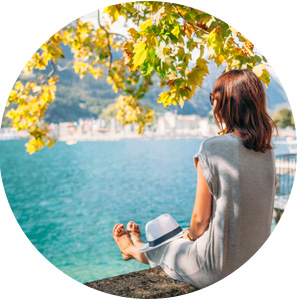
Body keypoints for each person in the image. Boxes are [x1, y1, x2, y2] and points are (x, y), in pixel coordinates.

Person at [112, 69, 278, 289]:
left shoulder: (214, 147)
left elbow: (200, 222)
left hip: (218, 269)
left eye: (212, 98)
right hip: (255, 263)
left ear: (225, 103)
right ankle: (142, 245)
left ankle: (131, 249)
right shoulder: (268, 151)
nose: (211, 104)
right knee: (180, 238)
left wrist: (189, 238)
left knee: (170, 247)